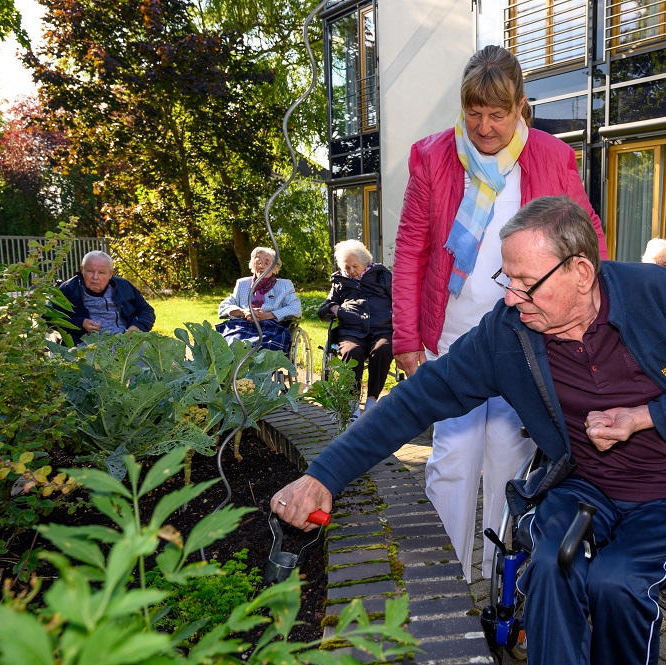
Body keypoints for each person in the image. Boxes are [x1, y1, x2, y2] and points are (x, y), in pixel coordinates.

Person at [272, 196, 666, 665]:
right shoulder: (509, 334)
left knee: (619, 580)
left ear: (580, 272)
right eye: (505, 279)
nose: (511, 298)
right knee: (554, 564)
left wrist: (647, 416)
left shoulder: (661, 296)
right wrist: (324, 475)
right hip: (584, 485)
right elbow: (414, 400)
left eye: (525, 283)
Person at [391, 44, 608, 582]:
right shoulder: (431, 156)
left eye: (497, 113)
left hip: (527, 335)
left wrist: (593, 310)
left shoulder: (554, 158)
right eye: (474, 112)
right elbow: (411, 249)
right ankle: (445, 581)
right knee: (453, 457)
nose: (484, 126)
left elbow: (590, 239)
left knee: (510, 459)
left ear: (520, 108)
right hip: (455, 335)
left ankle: (499, 584)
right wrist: (405, 338)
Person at [317, 240, 394, 416]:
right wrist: (333, 308)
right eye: (347, 267)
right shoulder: (340, 281)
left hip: (381, 329)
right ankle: (352, 403)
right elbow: (322, 311)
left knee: (383, 349)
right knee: (353, 351)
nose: (351, 271)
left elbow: (400, 301)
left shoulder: (382, 276)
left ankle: (372, 400)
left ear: (365, 262)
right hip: (351, 332)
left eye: (355, 266)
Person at [54, 250, 155, 345]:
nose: (95, 277)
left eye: (101, 273)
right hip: (87, 346)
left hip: (126, 342)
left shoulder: (124, 287)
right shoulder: (68, 289)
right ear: (82, 270)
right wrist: (80, 323)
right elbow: (50, 318)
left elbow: (147, 311)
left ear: (111, 274)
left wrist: (138, 326)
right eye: (90, 271)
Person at [217, 247, 301, 351]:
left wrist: (269, 315)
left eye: (267, 262)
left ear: (275, 267)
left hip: (270, 327)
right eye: (258, 262)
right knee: (232, 345)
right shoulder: (242, 283)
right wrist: (243, 312)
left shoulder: (284, 285)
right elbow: (224, 306)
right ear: (253, 264)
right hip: (242, 325)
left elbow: (295, 308)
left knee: (259, 347)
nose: (262, 266)